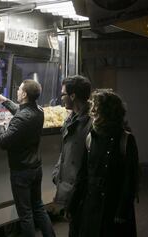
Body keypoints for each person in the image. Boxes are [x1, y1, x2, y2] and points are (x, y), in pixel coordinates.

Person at [69, 89, 139, 237]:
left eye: (96, 106)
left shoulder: (125, 139)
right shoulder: (91, 137)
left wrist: (122, 212)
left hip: (113, 205)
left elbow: (130, 179)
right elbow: (83, 174)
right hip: (91, 203)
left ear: (108, 111)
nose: (92, 110)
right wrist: (73, 205)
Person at [0, 79, 56, 237]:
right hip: (36, 167)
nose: (17, 91)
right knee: (39, 208)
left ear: (25, 94)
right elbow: (21, 112)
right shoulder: (39, 110)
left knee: (26, 215)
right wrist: (5, 101)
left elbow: (3, 142)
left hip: (21, 171)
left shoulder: (22, 118)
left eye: (19, 89)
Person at [51, 75, 92, 236]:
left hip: (83, 192)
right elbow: (65, 153)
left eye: (63, 94)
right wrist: (57, 173)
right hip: (71, 189)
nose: (61, 97)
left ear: (73, 96)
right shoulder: (71, 119)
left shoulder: (91, 122)